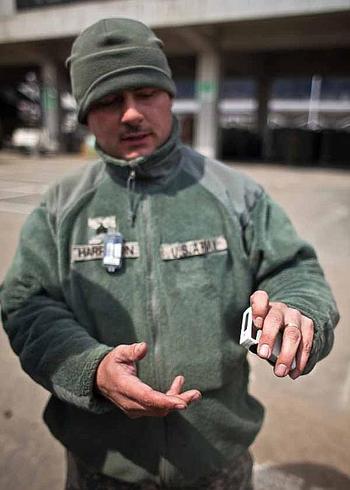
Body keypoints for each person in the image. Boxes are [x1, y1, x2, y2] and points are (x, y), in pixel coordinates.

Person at [0, 18, 339, 490]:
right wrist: (91, 369)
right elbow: (27, 305)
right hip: (104, 465)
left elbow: (295, 271)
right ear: (85, 113)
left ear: (170, 95)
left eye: (145, 93)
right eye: (109, 100)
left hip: (216, 461)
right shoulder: (61, 208)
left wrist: (299, 313)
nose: (132, 114)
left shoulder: (234, 193)